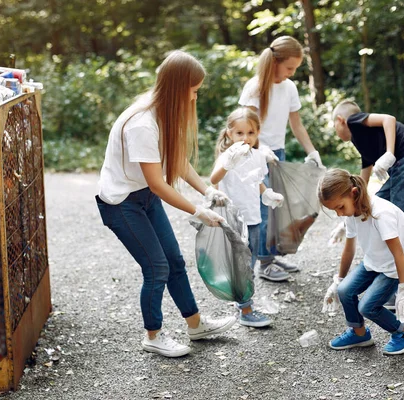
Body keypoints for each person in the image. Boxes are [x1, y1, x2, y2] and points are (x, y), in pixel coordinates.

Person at [96, 50, 236, 358]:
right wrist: (198, 210)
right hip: (121, 203)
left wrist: (207, 190)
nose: (195, 98)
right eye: (194, 91)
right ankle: (153, 335)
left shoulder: (163, 111)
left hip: (143, 195)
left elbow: (176, 160)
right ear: (178, 87)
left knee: (174, 260)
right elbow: (159, 183)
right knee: (156, 267)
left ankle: (196, 324)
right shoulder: (143, 124)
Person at [238, 35, 324, 281]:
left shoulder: (289, 87)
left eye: (295, 69)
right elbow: (247, 129)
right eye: (289, 68)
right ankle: (263, 264)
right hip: (255, 154)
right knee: (263, 210)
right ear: (275, 62)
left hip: (278, 153)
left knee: (278, 209)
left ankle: (270, 256)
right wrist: (261, 150)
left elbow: (296, 125)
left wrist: (312, 151)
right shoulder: (254, 88)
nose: (292, 73)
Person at [318, 168, 404, 355]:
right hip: (375, 259)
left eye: (340, 207)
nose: (339, 214)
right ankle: (359, 334)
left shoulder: (381, 214)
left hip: (394, 266)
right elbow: (349, 249)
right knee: (344, 291)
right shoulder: (351, 212)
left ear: (354, 193)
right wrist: (338, 280)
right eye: (335, 210)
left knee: (367, 307)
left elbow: (398, 253)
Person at [209, 107, 285, 328]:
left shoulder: (258, 156)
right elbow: (214, 179)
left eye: (250, 133)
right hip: (234, 218)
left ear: (258, 133)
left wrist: (267, 193)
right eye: (240, 133)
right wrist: (228, 164)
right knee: (242, 263)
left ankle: (242, 300)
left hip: (253, 217)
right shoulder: (227, 156)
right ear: (230, 134)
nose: (245, 138)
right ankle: (246, 308)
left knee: (249, 262)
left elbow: (258, 180)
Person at [328, 100, 404, 243]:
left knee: (399, 209)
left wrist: (389, 153)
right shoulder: (362, 143)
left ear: (340, 120)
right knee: (378, 201)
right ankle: (394, 249)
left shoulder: (353, 121)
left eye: (334, 126)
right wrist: (346, 223)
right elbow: (361, 186)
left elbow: (388, 119)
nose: (335, 131)